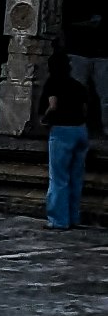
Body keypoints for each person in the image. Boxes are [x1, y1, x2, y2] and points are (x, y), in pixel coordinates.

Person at [38, 47, 100, 232]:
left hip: (62, 131)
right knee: (75, 177)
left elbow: (53, 105)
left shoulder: (53, 83)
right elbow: (86, 109)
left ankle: (58, 220)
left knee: (59, 178)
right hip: (80, 130)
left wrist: (45, 118)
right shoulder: (77, 85)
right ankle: (73, 216)